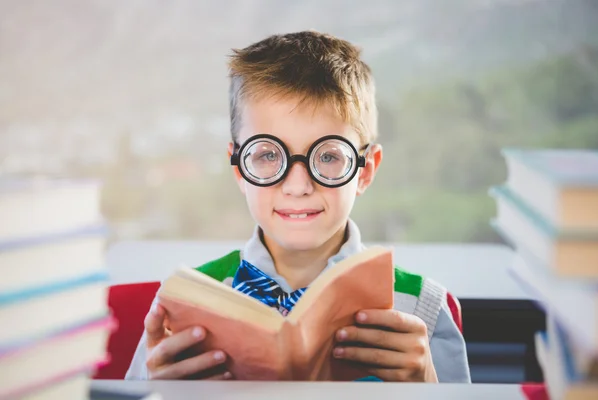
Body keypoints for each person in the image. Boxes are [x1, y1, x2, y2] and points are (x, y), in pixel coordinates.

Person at [125, 30, 470, 383]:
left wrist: (427, 385)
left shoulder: (424, 310)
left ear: (365, 171)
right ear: (239, 168)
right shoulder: (182, 306)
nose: (299, 185)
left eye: (329, 157)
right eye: (268, 155)